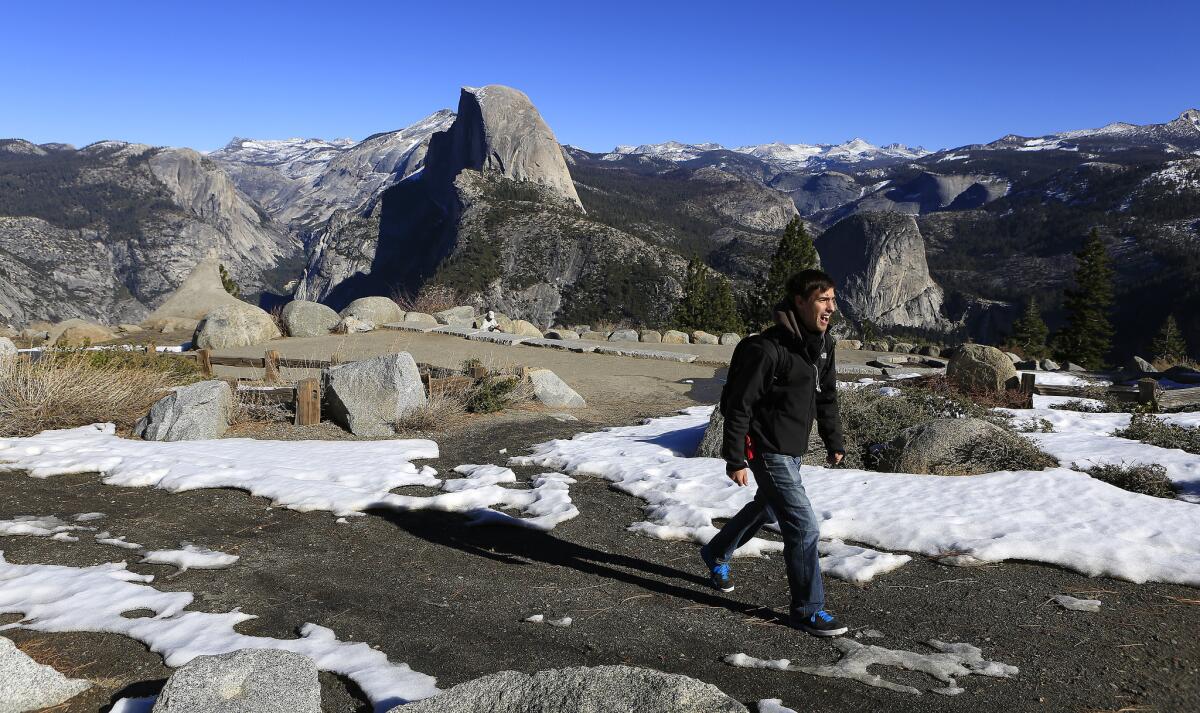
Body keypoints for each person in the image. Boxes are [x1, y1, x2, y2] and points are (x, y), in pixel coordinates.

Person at [700, 269, 848, 637]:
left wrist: (835, 441)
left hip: (794, 449)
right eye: (822, 300)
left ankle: (717, 552)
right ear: (799, 302)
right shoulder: (767, 349)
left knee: (766, 506)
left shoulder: (824, 344)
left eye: (833, 299)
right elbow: (738, 406)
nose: (831, 307)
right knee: (803, 526)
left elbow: (825, 397)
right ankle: (807, 610)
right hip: (767, 451)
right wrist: (735, 457)